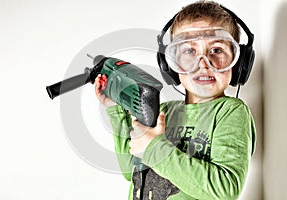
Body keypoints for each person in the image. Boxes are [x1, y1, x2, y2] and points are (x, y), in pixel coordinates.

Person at [94, 1, 256, 199]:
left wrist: (155, 149)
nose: (203, 64)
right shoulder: (163, 110)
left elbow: (225, 189)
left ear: (239, 62)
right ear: (170, 65)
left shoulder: (230, 111)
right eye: (189, 51)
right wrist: (115, 110)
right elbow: (131, 171)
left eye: (216, 50)